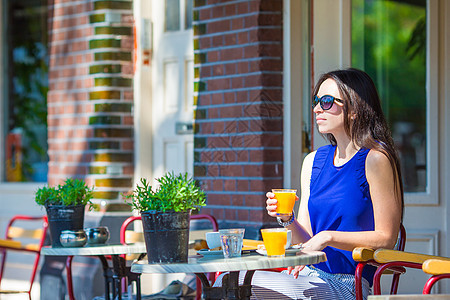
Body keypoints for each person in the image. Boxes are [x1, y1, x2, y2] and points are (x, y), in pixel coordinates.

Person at [215, 68, 404, 299]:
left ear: (354, 109)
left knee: (236, 284)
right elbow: (305, 241)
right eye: (316, 101)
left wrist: (327, 237)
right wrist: (287, 218)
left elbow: (387, 237)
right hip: (306, 275)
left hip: (348, 284)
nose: (316, 109)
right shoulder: (313, 161)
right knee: (227, 279)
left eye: (326, 102)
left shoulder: (376, 159)